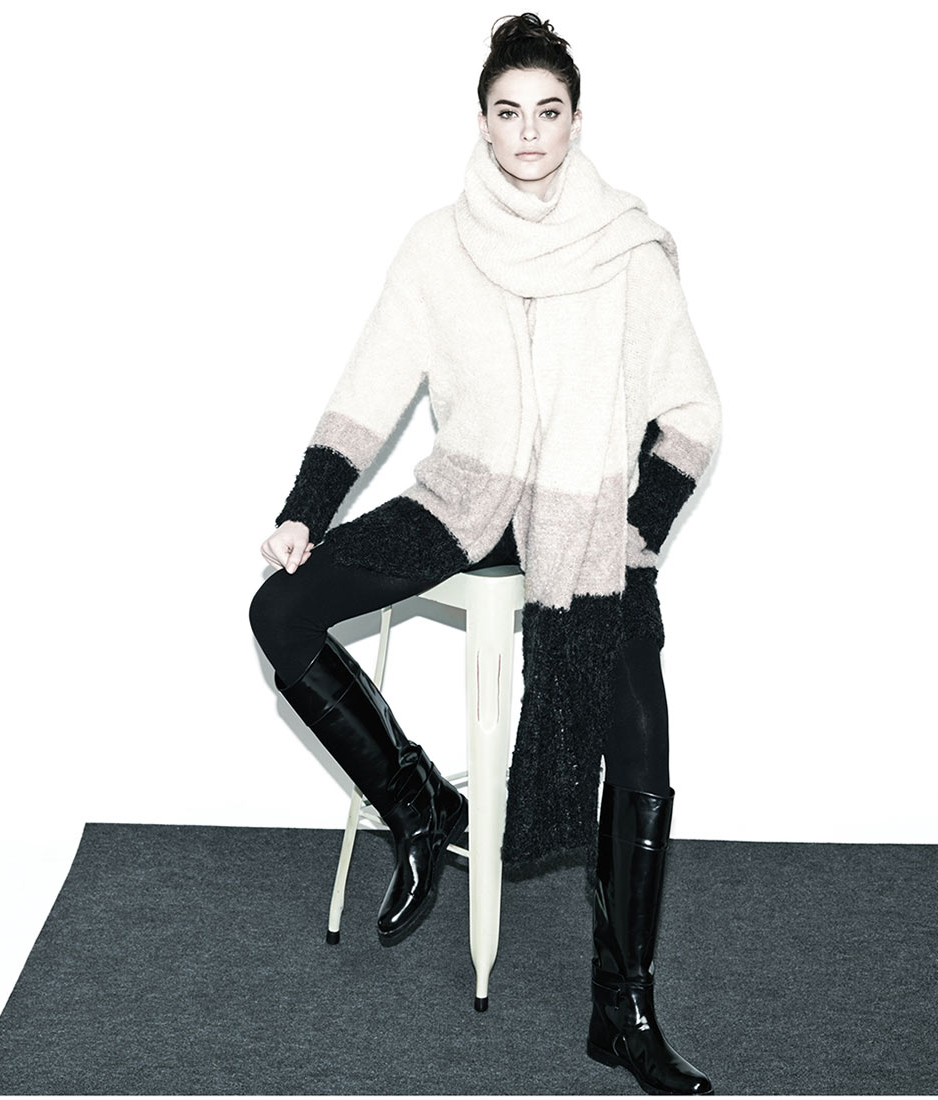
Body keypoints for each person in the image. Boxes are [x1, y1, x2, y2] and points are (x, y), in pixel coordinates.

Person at [248, 13, 721, 1095]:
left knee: (642, 747)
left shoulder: (627, 250)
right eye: (509, 113)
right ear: (482, 122)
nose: (528, 133)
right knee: (277, 610)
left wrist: (637, 529)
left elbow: (694, 413)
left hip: (585, 523)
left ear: (576, 121)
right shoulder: (437, 245)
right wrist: (305, 508)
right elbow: (370, 385)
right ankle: (417, 799)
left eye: (548, 112)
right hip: (464, 500)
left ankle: (623, 1010)